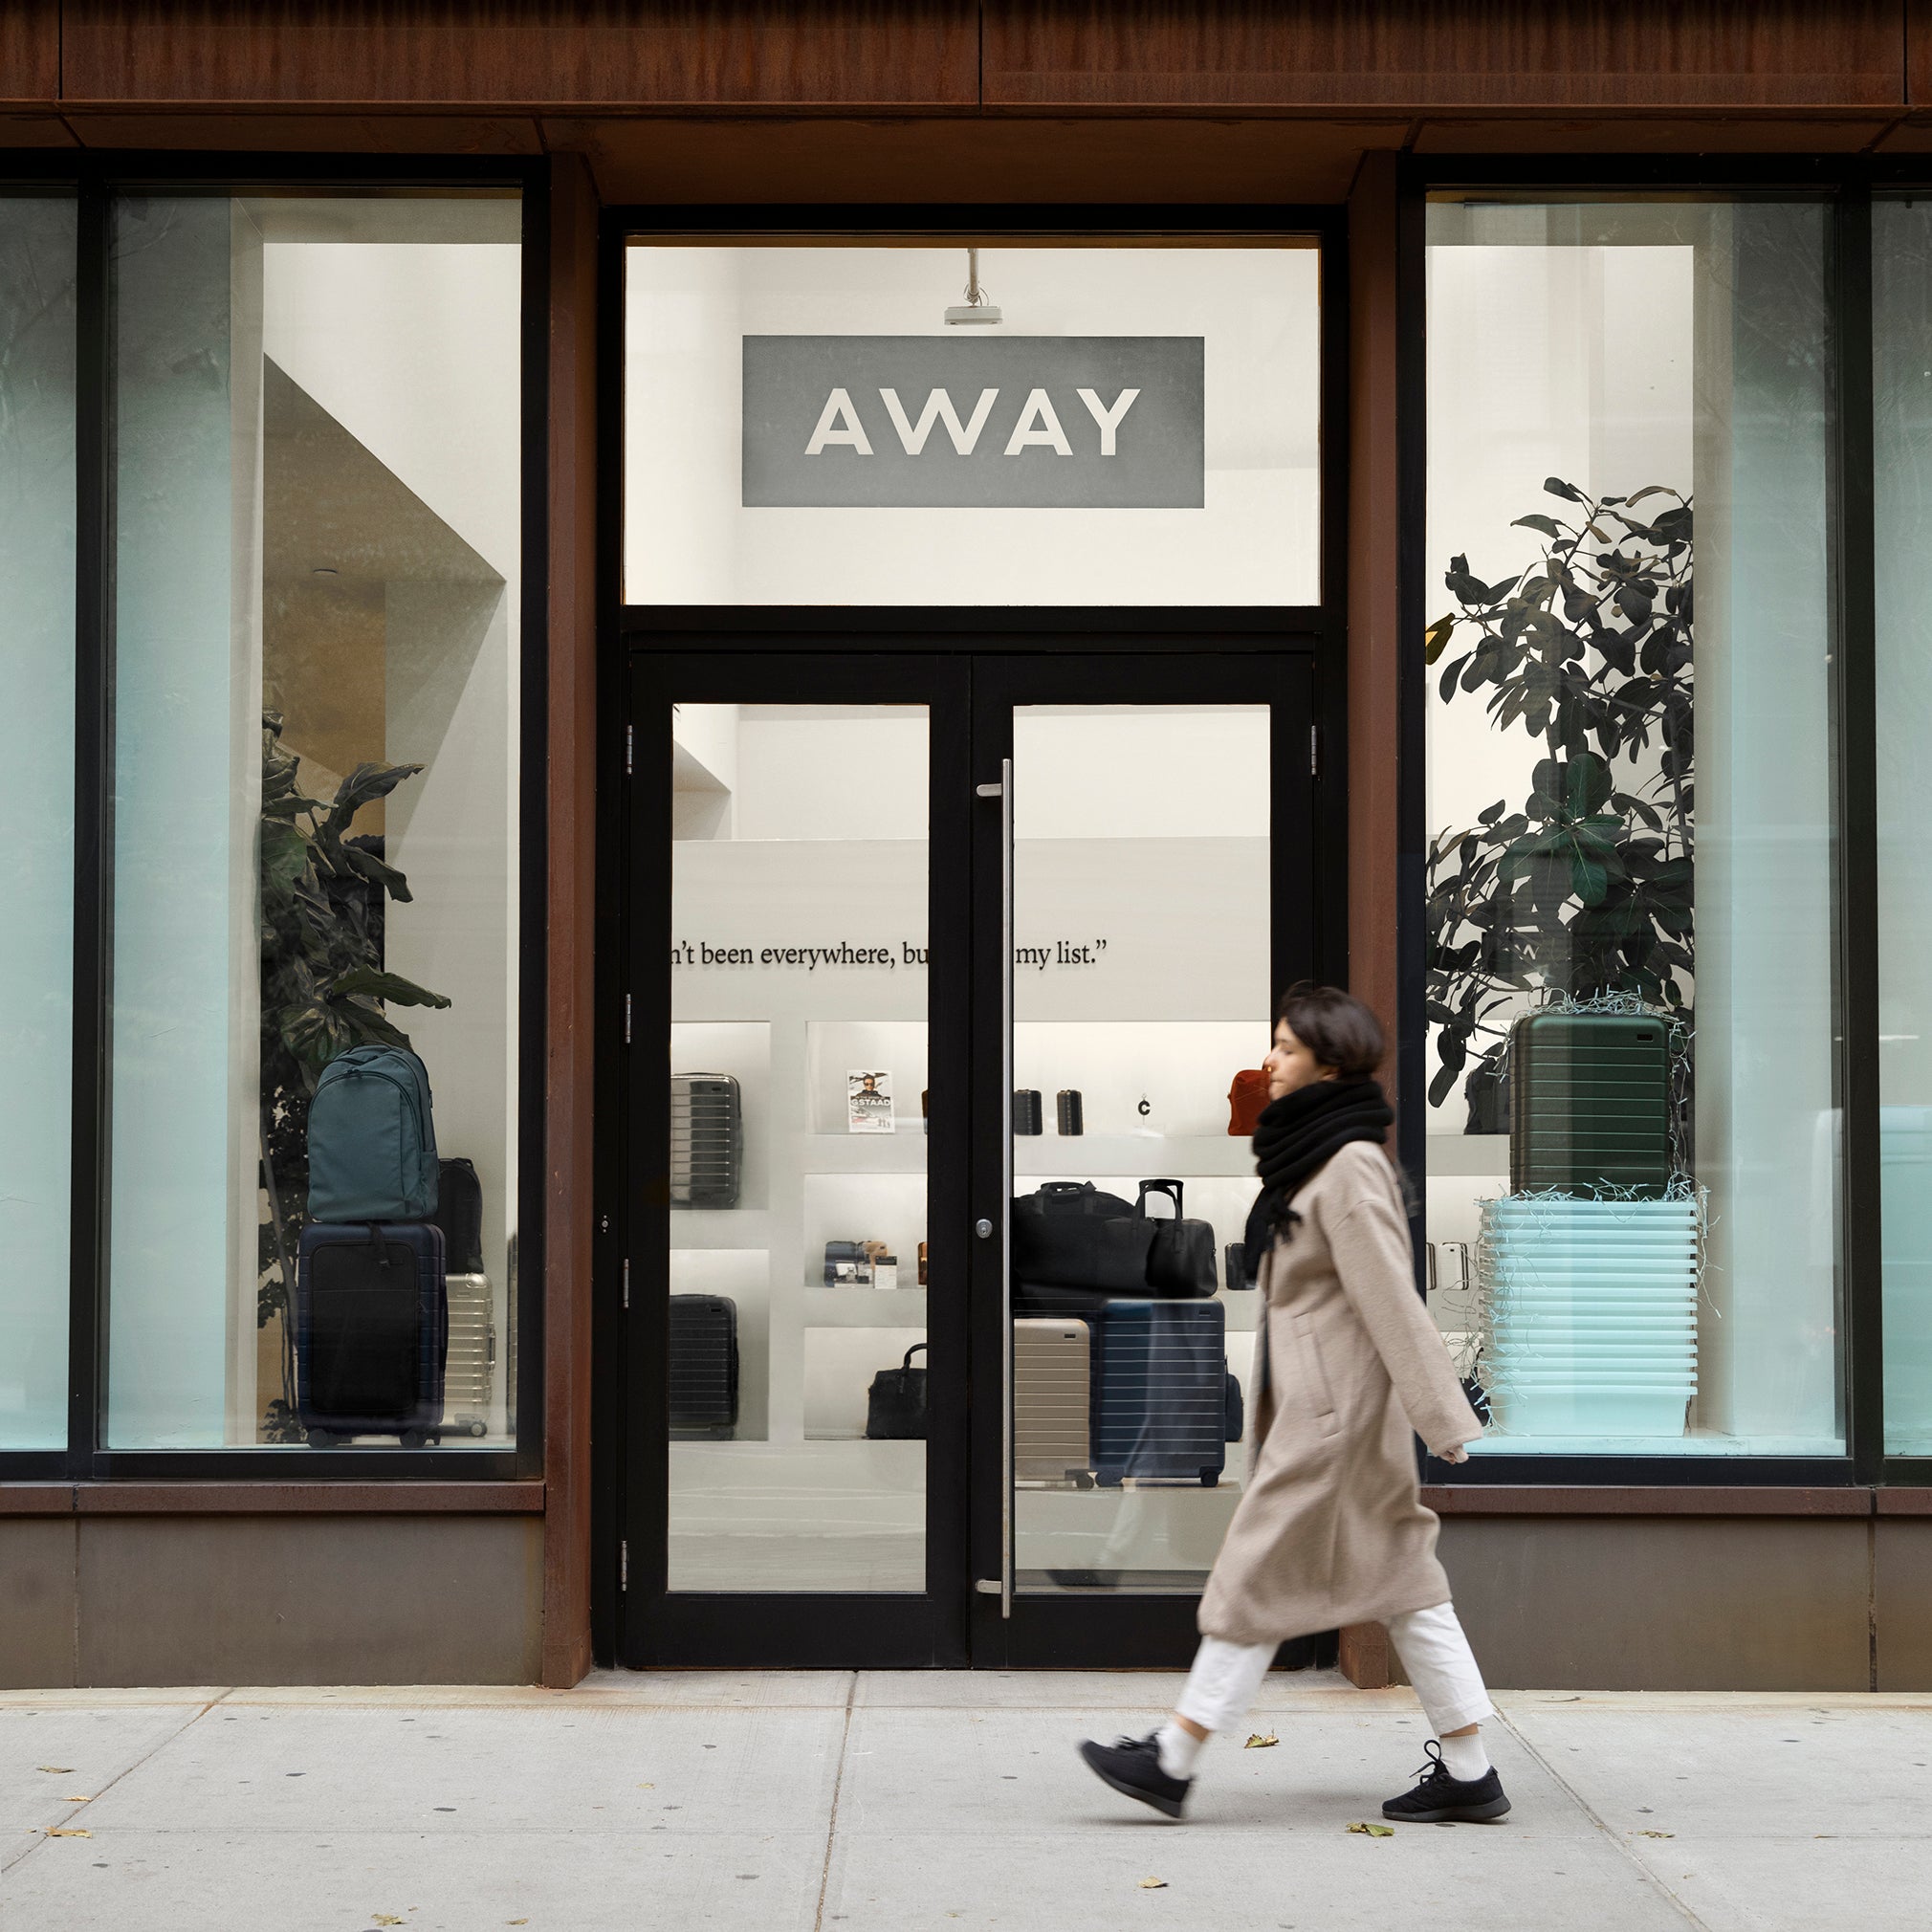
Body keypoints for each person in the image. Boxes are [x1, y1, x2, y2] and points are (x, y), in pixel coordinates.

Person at [1078, 983, 1507, 1826]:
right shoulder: (1317, 1153)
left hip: (1333, 1424)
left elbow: (1393, 1298)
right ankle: (1469, 1768)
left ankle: (1175, 1756)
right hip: (1333, 1412)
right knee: (1409, 1588)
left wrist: (1445, 1417)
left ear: (1329, 1060)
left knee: (1253, 1578)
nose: (1268, 1061)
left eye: (1283, 1047)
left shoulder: (1347, 1169)